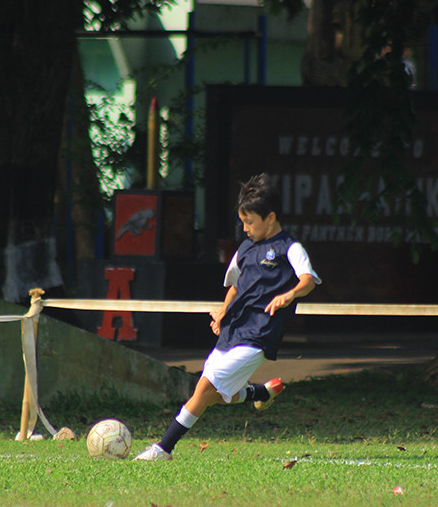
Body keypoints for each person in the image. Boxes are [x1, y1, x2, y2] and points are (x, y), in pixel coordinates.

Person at [134, 174, 321, 461]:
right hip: (234, 329)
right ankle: (260, 393)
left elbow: (308, 280)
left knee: (205, 387)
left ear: (270, 218)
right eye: (242, 222)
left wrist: (290, 294)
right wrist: (222, 312)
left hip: (260, 334)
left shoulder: (289, 248)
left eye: (250, 223)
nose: (245, 229)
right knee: (215, 394)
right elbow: (235, 286)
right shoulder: (245, 249)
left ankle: (164, 448)